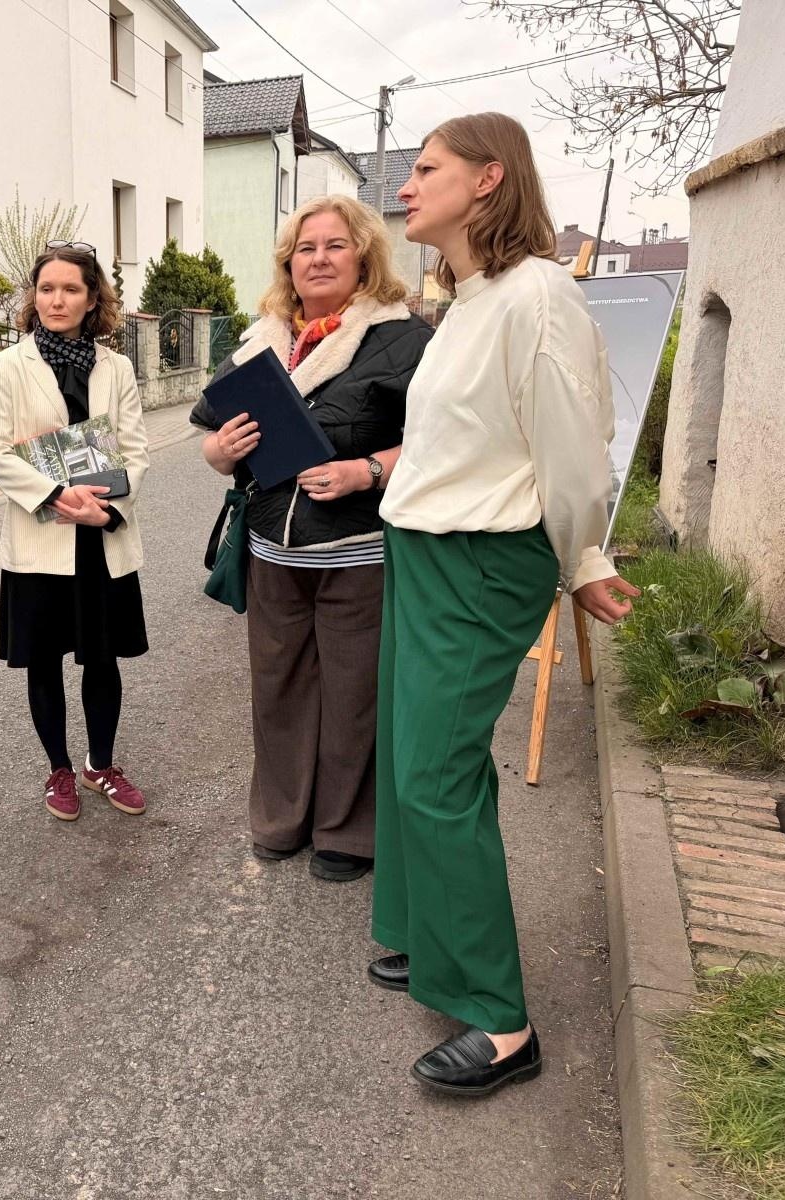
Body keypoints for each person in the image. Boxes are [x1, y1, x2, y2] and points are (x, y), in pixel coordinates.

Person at [368, 112, 640, 1096]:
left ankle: (499, 1024)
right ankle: (417, 935)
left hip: (484, 560)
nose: (404, 185)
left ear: (487, 180)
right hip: (426, 550)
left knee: (436, 774)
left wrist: (586, 559)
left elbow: (573, 444)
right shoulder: (469, 299)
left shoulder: (537, 296)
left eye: (424, 168)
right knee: (403, 756)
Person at [191, 196, 431, 881]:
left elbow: (446, 444)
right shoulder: (263, 339)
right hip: (273, 549)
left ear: (363, 256)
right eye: (304, 248)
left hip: (359, 554)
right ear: (287, 264)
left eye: (333, 245)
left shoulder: (401, 338)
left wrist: (368, 469)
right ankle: (281, 817)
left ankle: (347, 833)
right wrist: (218, 453)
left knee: (354, 696)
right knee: (279, 689)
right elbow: (217, 435)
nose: (318, 258)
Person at [0, 244, 151, 821]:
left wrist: (106, 509)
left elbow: (135, 451)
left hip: (100, 533)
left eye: (71, 289)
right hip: (41, 533)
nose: (58, 299)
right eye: (47, 288)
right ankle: (59, 769)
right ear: (34, 296)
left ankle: (102, 764)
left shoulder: (116, 367)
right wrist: (54, 495)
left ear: (92, 298)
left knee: (103, 659)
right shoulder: (8, 366)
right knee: (44, 659)